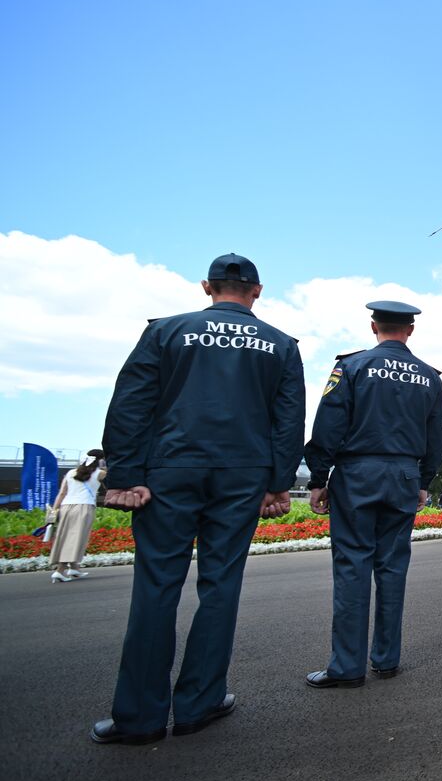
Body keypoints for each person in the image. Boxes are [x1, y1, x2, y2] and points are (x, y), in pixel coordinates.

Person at [92, 253, 305, 745]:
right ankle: (199, 703)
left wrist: (124, 473)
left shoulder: (166, 331)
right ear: (257, 290)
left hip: (169, 470)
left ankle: (139, 718)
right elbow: (288, 419)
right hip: (242, 476)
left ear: (207, 287)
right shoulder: (280, 345)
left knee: (155, 586)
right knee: (221, 585)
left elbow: (131, 403)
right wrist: (276, 483)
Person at [303, 300, 442, 688]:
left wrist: (319, 477)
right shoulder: (429, 377)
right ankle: (386, 659)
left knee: (353, 566)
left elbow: (329, 423)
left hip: (357, 473)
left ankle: (347, 667)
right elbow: (437, 438)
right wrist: (423, 481)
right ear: (410, 331)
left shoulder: (351, 366)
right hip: (403, 473)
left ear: (373, 326)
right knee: (393, 567)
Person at [47, 449, 105, 583]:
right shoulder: (100, 473)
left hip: (65, 507)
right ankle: (60, 570)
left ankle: (74, 568)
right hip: (84, 507)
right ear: (100, 460)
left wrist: (54, 511)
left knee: (65, 536)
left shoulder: (71, 473)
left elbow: (62, 493)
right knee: (76, 538)